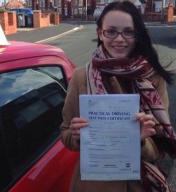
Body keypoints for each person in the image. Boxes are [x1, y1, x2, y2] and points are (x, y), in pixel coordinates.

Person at [60, 1, 176, 192]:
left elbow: (160, 149)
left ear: (137, 35)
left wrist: (140, 139)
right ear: (100, 33)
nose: (119, 39)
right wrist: (76, 136)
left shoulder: (153, 77)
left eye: (128, 32)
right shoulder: (81, 76)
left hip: (140, 183)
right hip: (93, 184)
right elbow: (65, 132)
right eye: (111, 31)